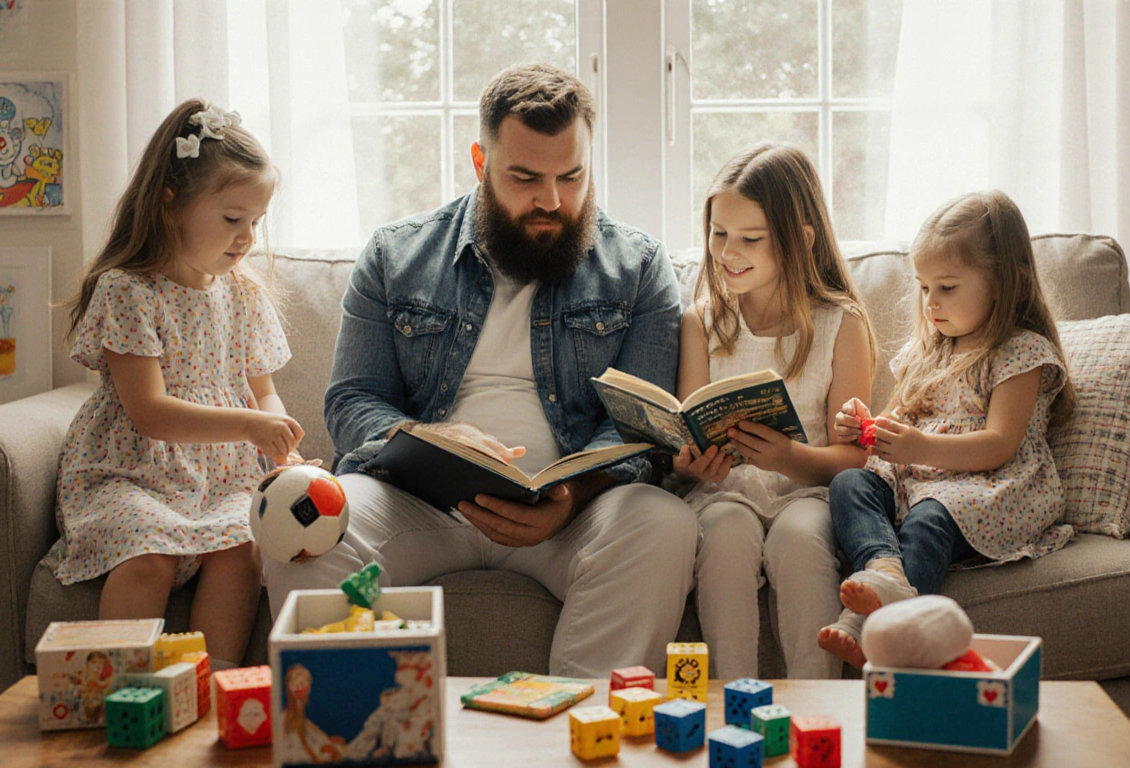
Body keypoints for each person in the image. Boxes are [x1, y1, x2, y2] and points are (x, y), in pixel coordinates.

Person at [263, 64, 696, 677]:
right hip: (421, 504)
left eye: (571, 176)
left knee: (664, 523)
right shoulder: (396, 255)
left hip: (569, 516)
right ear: (480, 160)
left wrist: (569, 501)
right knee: (304, 516)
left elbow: (639, 426)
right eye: (525, 177)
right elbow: (354, 400)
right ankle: (358, 735)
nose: (552, 200)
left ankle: (587, 734)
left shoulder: (640, 266)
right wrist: (428, 441)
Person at [41, 98, 302, 670]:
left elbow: (263, 393)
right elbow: (151, 413)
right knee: (149, 552)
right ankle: (121, 699)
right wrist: (252, 425)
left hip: (222, 478)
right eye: (232, 219)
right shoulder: (127, 290)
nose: (247, 239)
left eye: (255, 223)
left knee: (240, 549)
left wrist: (281, 446)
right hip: (131, 472)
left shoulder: (243, 293)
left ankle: (210, 696)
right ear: (170, 206)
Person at [818, 190, 1075, 668]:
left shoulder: (1020, 352)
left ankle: (868, 623)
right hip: (919, 479)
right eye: (923, 288)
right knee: (849, 482)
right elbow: (894, 420)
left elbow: (999, 444)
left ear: (1002, 282)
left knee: (929, 518)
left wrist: (917, 445)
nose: (931, 303)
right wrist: (863, 425)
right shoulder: (927, 351)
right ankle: (885, 570)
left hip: (982, 485)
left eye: (948, 288)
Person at [674, 144, 875, 680]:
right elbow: (685, 434)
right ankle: (730, 704)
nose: (728, 252)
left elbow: (855, 459)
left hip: (806, 493)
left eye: (750, 239)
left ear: (800, 239)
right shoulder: (703, 323)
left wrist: (788, 456)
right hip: (723, 492)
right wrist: (688, 463)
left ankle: (817, 707)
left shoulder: (841, 326)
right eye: (719, 233)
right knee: (725, 536)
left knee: (800, 539)